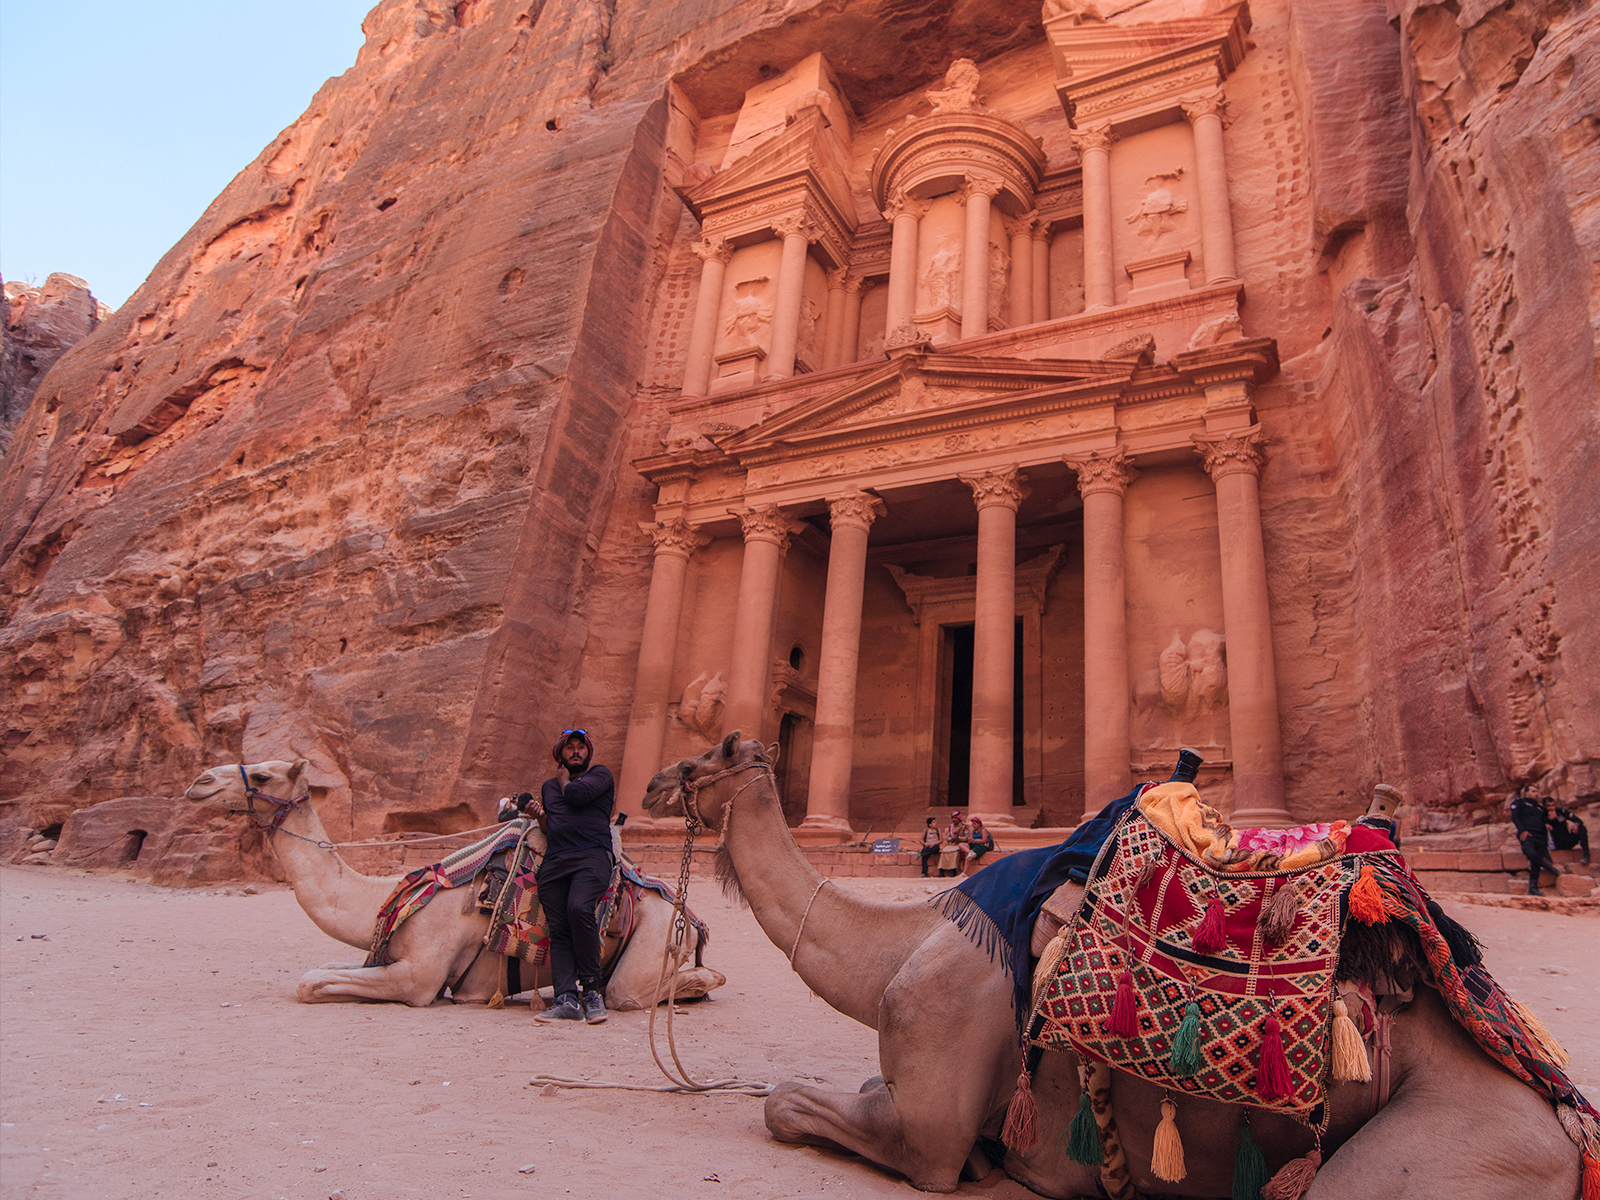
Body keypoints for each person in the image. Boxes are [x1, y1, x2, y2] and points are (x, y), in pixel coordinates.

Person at [532, 730, 615, 1024]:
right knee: (559, 928)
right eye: (570, 748)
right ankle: (566, 997)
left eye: (581, 747)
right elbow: (552, 824)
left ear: (588, 754)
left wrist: (563, 778)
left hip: (592, 856)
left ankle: (591, 991)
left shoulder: (600, 775)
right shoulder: (548, 787)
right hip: (556, 861)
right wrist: (538, 815)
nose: (576, 751)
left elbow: (577, 797)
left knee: (578, 908)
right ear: (560, 754)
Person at [1511, 788, 1561, 896]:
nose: (1536, 794)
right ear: (1526, 793)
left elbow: (1545, 821)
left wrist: (1551, 820)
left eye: (1537, 792)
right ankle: (1549, 867)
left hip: (1540, 837)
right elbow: (1515, 817)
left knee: (1535, 864)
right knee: (1531, 853)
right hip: (1528, 834)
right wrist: (1522, 830)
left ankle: (1533, 888)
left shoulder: (1539, 808)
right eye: (1533, 791)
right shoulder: (1520, 803)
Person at [1547, 797, 1590, 866]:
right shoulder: (1542, 815)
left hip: (1566, 840)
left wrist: (1576, 824)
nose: (1551, 808)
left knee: (1582, 828)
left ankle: (1586, 856)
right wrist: (1550, 820)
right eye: (1548, 806)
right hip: (1554, 844)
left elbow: (1578, 820)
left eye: (1553, 805)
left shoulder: (1561, 811)